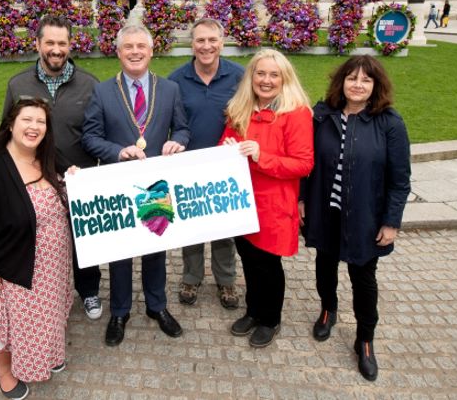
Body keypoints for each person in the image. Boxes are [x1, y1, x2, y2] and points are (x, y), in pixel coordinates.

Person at [300, 55, 411, 382]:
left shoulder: (389, 122)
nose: (358, 85)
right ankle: (328, 309)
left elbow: (400, 179)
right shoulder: (323, 116)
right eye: (352, 78)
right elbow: (308, 163)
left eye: (366, 80)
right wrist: (303, 198)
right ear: (341, 82)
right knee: (324, 264)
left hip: (365, 217)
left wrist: (391, 221)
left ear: (375, 86)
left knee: (364, 279)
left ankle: (365, 338)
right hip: (326, 212)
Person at [82, 24, 190, 346]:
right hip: (118, 181)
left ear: (151, 51)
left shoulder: (169, 89)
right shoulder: (102, 91)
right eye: (127, 47)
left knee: (155, 246)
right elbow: (89, 136)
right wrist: (117, 151)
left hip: (155, 182)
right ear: (118, 52)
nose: (134, 52)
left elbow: (182, 129)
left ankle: (157, 306)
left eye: (141, 46)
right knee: (120, 252)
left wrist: (178, 143)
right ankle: (120, 311)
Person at [0, 98, 73, 399]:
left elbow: (68, 173)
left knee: (48, 317)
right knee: (7, 325)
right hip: (13, 266)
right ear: (11, 124)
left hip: (53, 264)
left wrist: (73, 173)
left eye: (41, 122)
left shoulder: (48, 157)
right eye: (27, 120)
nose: (34, 127)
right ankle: (4, 371)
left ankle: (47, 354)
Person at [3, 15, 103, 321]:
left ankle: (88, 290)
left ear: (70, 45)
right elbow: (7, 130)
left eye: (62, 43)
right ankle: (42, 291)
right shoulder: (18, 84)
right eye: (50, 43)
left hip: (78, 177)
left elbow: (98, 132)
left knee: (82, 239)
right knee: (40, 239)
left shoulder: (89, 84)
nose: (56, 49)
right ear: (38, 44)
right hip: (34, 179)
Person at [220, 50, 314, 348]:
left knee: (268, 266)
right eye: (260, 73)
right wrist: (228, 146)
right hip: (242, 200)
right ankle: (253, 310)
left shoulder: (295, 112)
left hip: (273, 204)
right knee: (248, 259)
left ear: (284, 78)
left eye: (274, 75)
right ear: (251, 76)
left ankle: (270, 318)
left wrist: (262, 156)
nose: (266, 80)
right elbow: (224, 141)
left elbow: (303, 164)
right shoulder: (241, 107)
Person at [168, 18, 244, 309]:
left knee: (225, 229)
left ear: (222, 42)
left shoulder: (239, 77)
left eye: (212, 40)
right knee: (193, 226)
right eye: (200, 40)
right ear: (192, 43)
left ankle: (226, 282)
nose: (206, 46)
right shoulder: (177, 79)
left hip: (228, 165)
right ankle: (192, 276)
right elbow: (174, 122)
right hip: (190, 165)